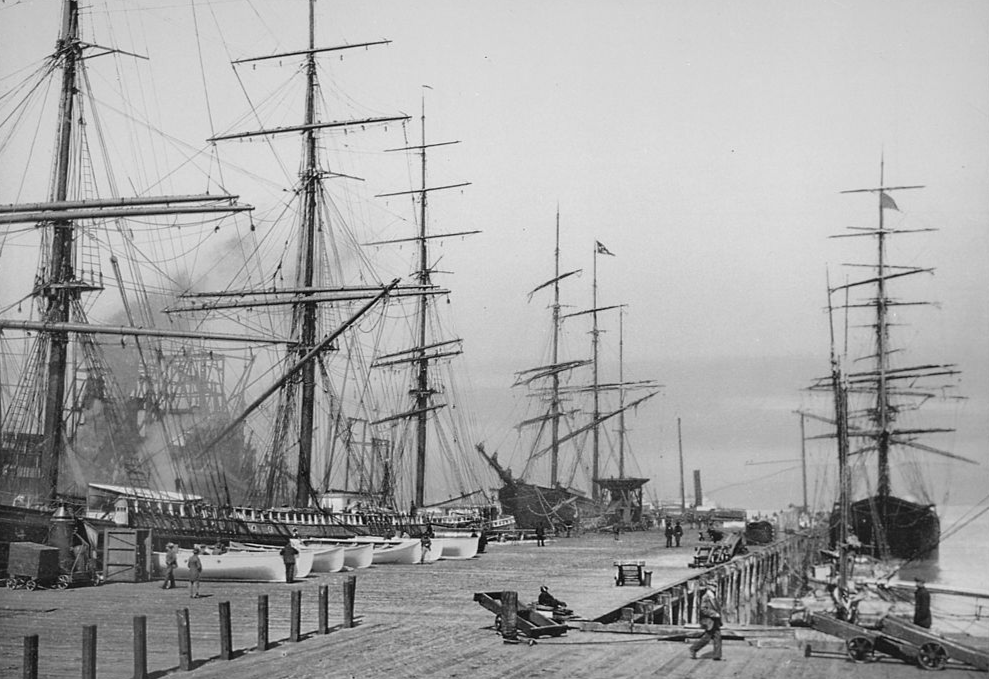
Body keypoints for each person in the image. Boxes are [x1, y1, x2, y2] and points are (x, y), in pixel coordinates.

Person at [689, 581, 723, 660]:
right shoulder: (706, 597)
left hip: (715, 621)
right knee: (707, 638)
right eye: (713, 586)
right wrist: (714, 614)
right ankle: (693, 649)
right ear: (709, 587)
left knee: (717, 637)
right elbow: (703, 609)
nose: (715, 587)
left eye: (715, 586)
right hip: (709, 621)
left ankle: (717, 655)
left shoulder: (713, 596)